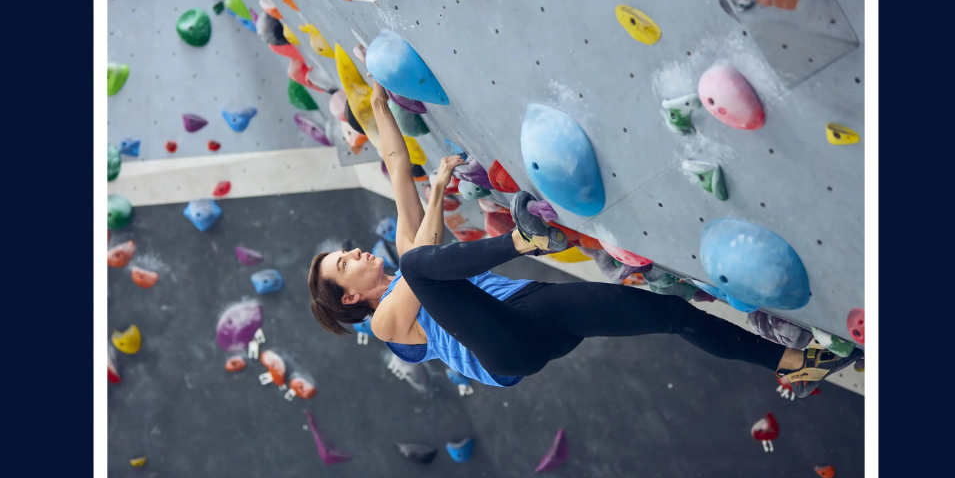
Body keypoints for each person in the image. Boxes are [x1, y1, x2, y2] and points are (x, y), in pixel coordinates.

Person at [307, 81, 859, 397]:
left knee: (669, 313)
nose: (357, 253)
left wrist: (378, 107)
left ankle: (791, 364)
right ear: (350, 297)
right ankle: (523, 241)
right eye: (345, 264)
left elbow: (397, 167)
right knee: (422, 264)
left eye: (347, 252)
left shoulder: (411, 263)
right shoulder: (385, 323)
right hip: (505, 351)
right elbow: (421, 259)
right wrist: (438, 193)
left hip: (532, 311)